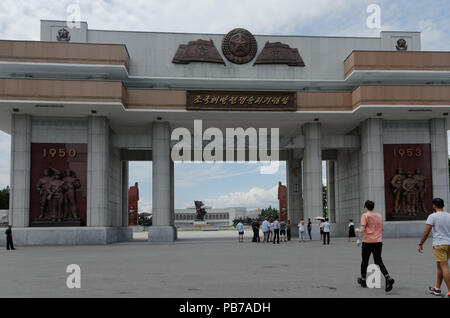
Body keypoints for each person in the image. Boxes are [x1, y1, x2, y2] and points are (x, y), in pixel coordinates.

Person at [356, 200, 395, 292]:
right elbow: (382, 228)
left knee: (365, 260)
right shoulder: (379, 215)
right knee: (378, 260)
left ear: (365, 207)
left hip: (367, 241)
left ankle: (363, 279)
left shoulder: (365, 215)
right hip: (378, 241)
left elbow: (362, 229)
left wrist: (357, 230)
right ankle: (388, 277)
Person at [418, 198, 450, 298]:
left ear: (434, 206)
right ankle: (437, 289)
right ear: (443, 206)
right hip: (448, 244)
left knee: (444, 266)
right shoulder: (449, 215)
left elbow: (427, 232)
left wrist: (421, 243)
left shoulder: (432, 216)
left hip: (439, 244)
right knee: (440, 265)